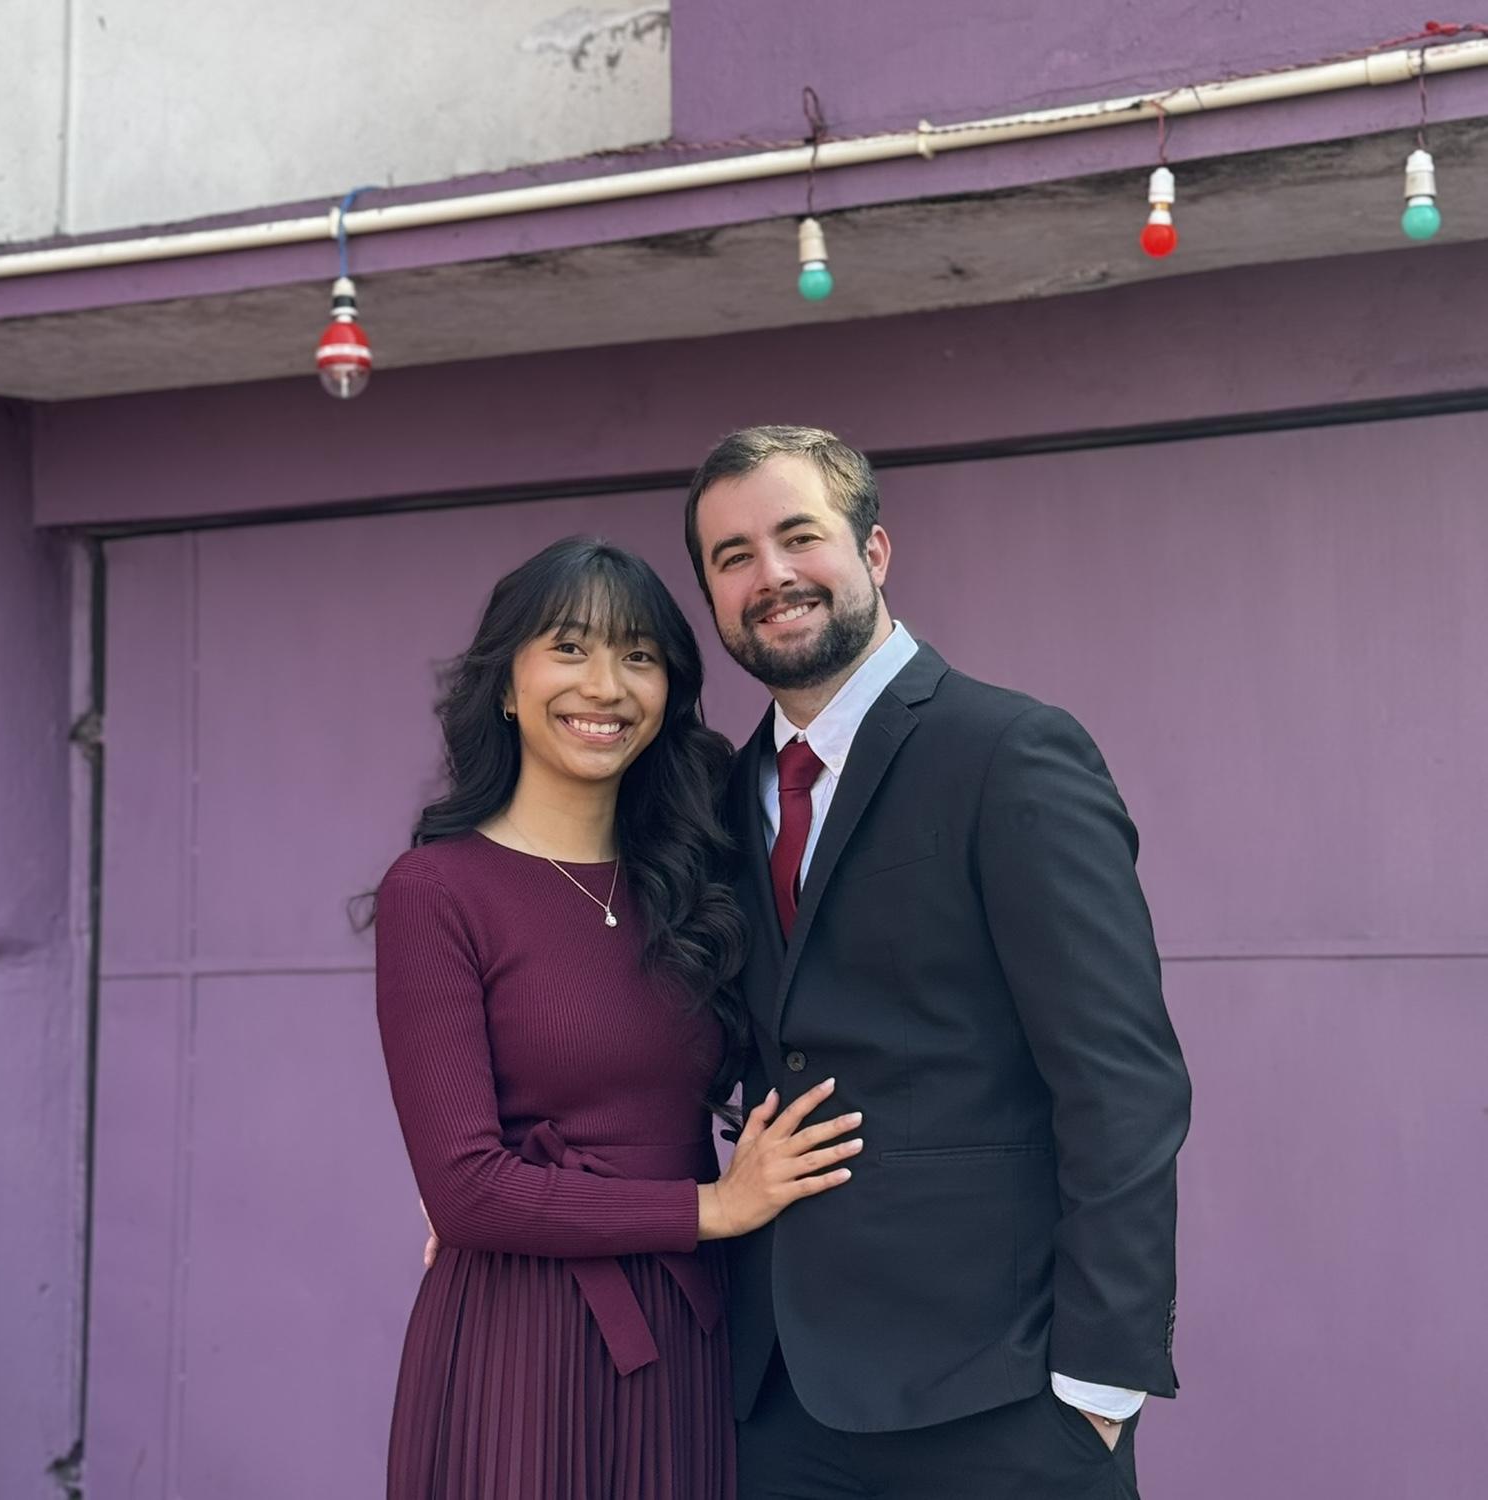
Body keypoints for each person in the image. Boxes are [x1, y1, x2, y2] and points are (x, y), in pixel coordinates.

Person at [683, 427, 1192, 1499]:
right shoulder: (727, 803)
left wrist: (1101, 1385)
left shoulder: (1010, 754)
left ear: (873, 552)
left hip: (995, 1400)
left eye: (796, 537)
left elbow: (1122, 1082)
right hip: (779, 1401)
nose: (769, 576)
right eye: (732, 558)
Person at [373, 536, 859, 1500]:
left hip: (689, 1328)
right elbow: (467, 1189)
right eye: (569, 648)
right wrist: (713, 1206)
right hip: (518, 1336)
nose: (606, 685)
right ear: (505, 686)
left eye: (638, 656)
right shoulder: (437, 890)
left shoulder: (698, 877)